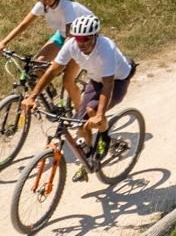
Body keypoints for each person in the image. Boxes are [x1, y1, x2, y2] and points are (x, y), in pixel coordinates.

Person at [21, 13, 134, 180]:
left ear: (95, 36)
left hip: (117, 80)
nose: (81, 43)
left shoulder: (106, 48)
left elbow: (108, 85)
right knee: (81, 123)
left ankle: (104, 137)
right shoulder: (71, 45)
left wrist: (100, 115)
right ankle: (87, 160)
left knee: (92, 110)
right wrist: (32, 96)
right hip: (96, 79)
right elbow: (52, 71)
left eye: (86, 39)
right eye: (78, 38)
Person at [0, 0, 95, 62]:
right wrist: (3, 42)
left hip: (81, 37)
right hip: (62, 34)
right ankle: (47, 87)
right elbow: (23, 25)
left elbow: (70, 35)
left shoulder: (67, 6)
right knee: (37, 66)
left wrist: (61, 59)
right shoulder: (42, 5)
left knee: (67, 79)